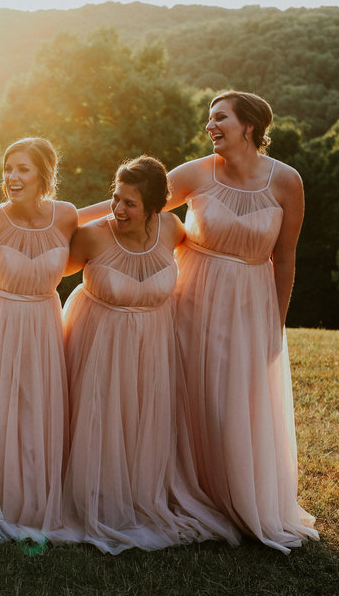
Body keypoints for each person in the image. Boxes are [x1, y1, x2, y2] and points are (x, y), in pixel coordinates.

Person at [56, 156, 238, 553]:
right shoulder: (93, 236)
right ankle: (98, 497)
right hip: (98, 341)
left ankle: (141, 492)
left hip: (153, 345)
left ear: (155, 208)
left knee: (143, 418)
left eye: (130, 204)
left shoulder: (173, 229)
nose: (118, 210)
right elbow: (51, 272)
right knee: (101, 417)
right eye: (116, 199)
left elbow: (212, 257)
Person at [167, 91, 318, 552]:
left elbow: (286, 260)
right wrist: (64, 221)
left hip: (252, 302)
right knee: (190, 393)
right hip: (191, 294)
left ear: (249, 126)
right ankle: (187, 491)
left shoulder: (287, 182)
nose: (210, 126)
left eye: (219, 118)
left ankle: (236, 496)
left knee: (236, 398)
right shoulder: (196, 172)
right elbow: (135, 200)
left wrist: (276, 323)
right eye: (209, 119)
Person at [0, 138, 77, 540]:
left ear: (44, 175)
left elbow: (103, 232)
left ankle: (36, 496)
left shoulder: (66, 217)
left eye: (22, 169)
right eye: (8, 169)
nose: (11, 177)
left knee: (35, 408)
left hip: (44, 322)